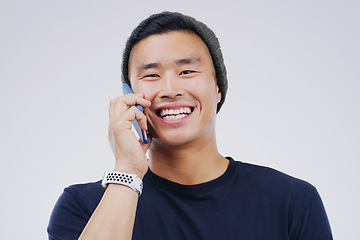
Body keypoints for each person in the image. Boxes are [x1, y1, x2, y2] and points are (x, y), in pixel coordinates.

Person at [48, 11, 332, 240]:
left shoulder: (291, 201)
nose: (169, 89)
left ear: (217, 88)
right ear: (129, 96)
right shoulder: (83, 207)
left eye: (187, 71)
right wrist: (128, 171)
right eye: (151, 75)